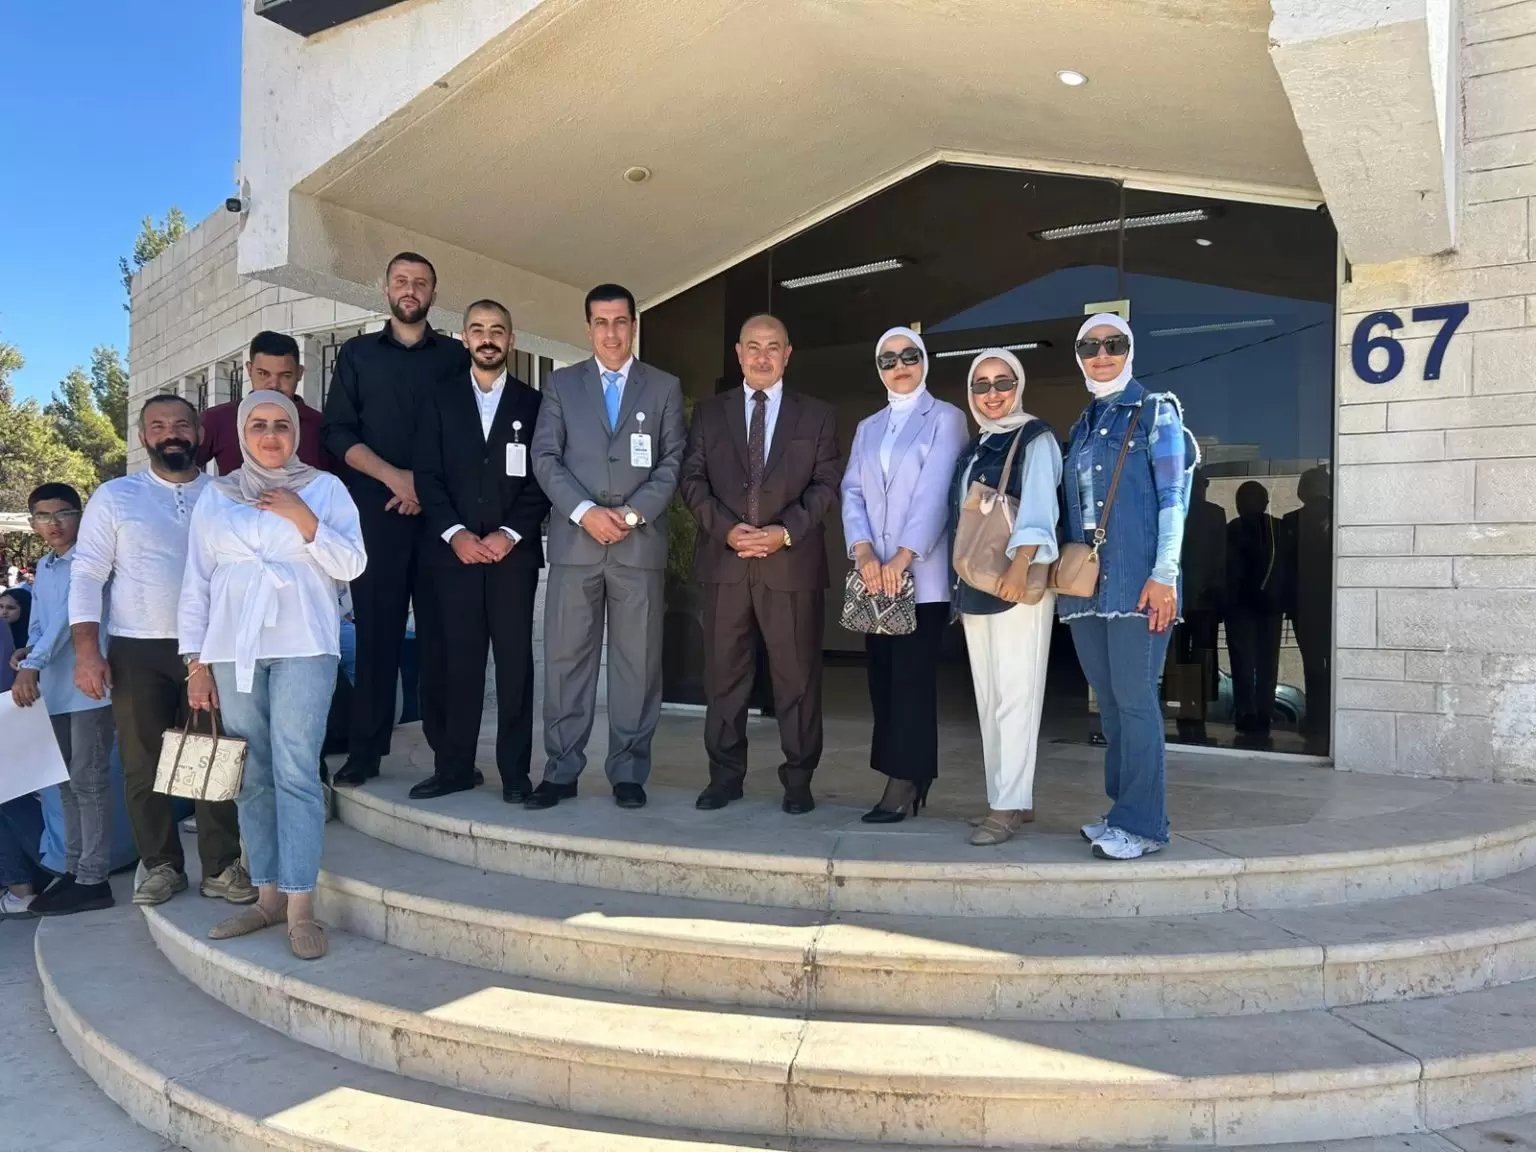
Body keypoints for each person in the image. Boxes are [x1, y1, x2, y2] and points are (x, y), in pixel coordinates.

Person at [180, 392, 367, 960]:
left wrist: (303, 518)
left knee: (296, 772)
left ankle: (301, 905)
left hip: (305, 645)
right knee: (253, 774)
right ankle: (266, 896)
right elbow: (197, 581)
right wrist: (196, 662)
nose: (269, 435)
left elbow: (353, 564)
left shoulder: (324, 489)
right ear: (242, 433)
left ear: (295, 433)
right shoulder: (217, 495)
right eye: (258, 424)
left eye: (281, 425)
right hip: (233, 649)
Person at [69, 395, 251, 906]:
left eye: (181, 424)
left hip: (212, 648)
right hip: (136, 649)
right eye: (158, 426)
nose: (171, 433)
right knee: (142, 764)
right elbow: (87, 574)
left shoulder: (225, 493)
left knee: (212, 756)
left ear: (199, 433)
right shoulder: (116, 496)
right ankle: (161, 866)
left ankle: (221, 867)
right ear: (143, 437)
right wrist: (87, 651)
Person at [529, 284, 687, 810]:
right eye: (601, 322)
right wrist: (585, 512)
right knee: (566, 660)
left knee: (636, 664)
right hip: (576, 545)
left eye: (621, 321)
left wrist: (633, 514)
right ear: (588, 327)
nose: (612, 333)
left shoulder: (663, 386)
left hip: (638, 547)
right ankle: (561, 769)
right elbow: (545, 457)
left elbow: (673, 461)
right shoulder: (561, 384)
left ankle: (629, 772)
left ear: (634, 325)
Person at [680, 315, 841, 816]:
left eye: (773, 347)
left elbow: (826, 485)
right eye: (753, 346)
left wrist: (783, 532)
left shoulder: (817, 416)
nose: (763, 356)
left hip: (790, 564)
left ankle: (799, 780)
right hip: (726, 563)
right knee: (723, 678)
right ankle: (724, 777)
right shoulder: (710, 414)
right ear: (739, 352)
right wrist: (727, 530)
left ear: (788, 354)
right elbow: (692, 480)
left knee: (797, 679)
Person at [322, 252, 470, 788]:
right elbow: (337, 432)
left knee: (441, 641)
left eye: (421, 282)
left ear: (434, 293)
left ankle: (450, 758)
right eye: (401, 281)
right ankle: (365, 754)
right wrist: (394, 478)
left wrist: (423, 487)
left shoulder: (455, 357)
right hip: (377, 516)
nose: (411, 289)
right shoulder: (357, 354)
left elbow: (468, 432)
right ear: (385, 288)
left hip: (440, 520)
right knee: (377, 637)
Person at [1059, 314, 1197, 861]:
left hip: (1139, 584)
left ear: (1130, 350)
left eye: (1113, 344)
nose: (1102, 354)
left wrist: (1165, 574)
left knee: (1137, 702)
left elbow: (1173, 498)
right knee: (1112, 704)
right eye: (1089, 346)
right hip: (1087, 589)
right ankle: (1122, 810)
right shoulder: (1085, 422)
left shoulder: (1156, 411)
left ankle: (1144, 825)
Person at [411, 300, 550, 802]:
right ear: (465, 339)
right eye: (477, 330)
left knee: (515, 667)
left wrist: (509, 534)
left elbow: (544, 476)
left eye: (497, 330)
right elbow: (427, 475)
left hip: (514, 558)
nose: (487, 338)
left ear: (511, 340)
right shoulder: (438, 399)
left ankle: (515, 774)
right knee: (457, 665)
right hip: (455, 558)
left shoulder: (536, 404)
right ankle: (454, 768)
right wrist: (456, 534)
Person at [840, 327, 967, 822]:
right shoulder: (868, 427)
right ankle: (899, 769)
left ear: (924, 361)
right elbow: (852, 491)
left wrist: (901, 558)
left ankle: (907, 779)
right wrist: (864, 552)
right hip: (875, 578)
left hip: (921, 577)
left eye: (909, 356)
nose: (900, 366)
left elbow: (936, 492)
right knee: (883, 678)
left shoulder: (946, 418)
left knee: (911, 680)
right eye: (888, 359)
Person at [949, 350, 1062, 846]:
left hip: (1017, 580)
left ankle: (1008, 805)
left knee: (1017, 694)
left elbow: (1040, 505)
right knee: (990, 696)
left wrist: (1021, 564)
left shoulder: (1035, 437)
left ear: (1019, 385)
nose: (992, 394)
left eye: (1003, 382)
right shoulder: (977, 445)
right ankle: (1010, 794)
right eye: (981, 385)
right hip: (977, 582)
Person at [9, 484, 117, 916]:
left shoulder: (91, 561)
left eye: (63, 513)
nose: (53, 524)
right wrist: (27, 651)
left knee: (89, 782)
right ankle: (74, 869)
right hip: (51, 691)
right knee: (65, 784)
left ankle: (94, 877)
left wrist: (33, 662)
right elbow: (40, 623)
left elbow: (68, 619)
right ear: (33, 522)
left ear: (80, 516)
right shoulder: (45, 565)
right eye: (43, 516)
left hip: (88, 688)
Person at [198, 331, 335, 475]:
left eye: (285, 375)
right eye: (263, 374)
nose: (274, 385)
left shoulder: (322, 426)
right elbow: (183, 470)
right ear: (249, 370)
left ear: (299, 373)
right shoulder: (218, 419)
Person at [1225, 480, 1285, 746]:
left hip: (1253, 607)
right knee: (1258, 662)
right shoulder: (1275, 528)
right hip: (1252, 606)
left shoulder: (1271, 529)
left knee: (1250, 662)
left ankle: (1254, 712)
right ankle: (1256, 712)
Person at [1283, 466, 1332, 755]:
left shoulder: (1293, 521)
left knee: (1312, 664)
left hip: (1304, 605)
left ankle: (1316, 719)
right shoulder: (1339, 516)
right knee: (1331, 664)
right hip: (1331, 604)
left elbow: (1287, 568)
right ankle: (1326, 718)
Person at [0, 586, 31, 651]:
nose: (4, 612)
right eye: (1, 606)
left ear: (24, 610)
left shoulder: (33, 637)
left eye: (10, 608)